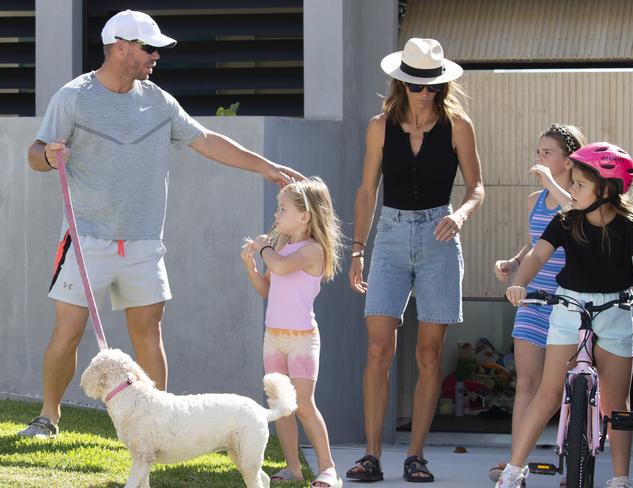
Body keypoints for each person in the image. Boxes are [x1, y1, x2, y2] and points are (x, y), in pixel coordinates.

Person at [20, 9, 303, 439]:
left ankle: (159, 426)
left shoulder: (158, 100)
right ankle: (48, 417)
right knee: (68, 332)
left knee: (149, 336)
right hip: (85, 239)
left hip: (143, 243)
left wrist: (265, 167)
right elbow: (35, 153)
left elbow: (205, 139)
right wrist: (48, 155)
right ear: (120, 47)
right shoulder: (73, 97)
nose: (156, 55)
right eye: (148, 47)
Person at [346, 38, 484, 483]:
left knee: (428, 354)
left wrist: (460, 215)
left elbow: (476, 187)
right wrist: (357, 251)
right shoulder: (378, 125)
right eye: (417, 84)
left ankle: (416, 455)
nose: (425, 92)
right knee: (377, 348)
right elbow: (367, 191)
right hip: (387, 236)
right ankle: (370, 455)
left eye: (433, 85)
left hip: (439, 237)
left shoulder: (459, 125)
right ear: (401, 81)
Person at [497, 142, 633, 488]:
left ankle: (620, 478)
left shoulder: (631, 226)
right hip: (570, 306)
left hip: (615, 308)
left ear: (607, 190)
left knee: (615, 401)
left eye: (580, 184)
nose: (572, 189)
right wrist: (519, 284)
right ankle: (513, 471)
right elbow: (536, 256)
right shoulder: (566, 220)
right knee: (548, 393)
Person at [489, 124, 586, 483]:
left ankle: (574, 462)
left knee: (571, 387)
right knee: (526, 383)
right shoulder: (535, 199)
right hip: (534, 300)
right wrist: (513, 265)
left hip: (571, 302)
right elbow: (535, 246)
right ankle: (517, 464)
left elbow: (576, 215)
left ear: (568, 159)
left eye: (548, 153)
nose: (539, 158)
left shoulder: (578, 196)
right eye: (538, 152)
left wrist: (551, 183)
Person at [240, 177, 343, 488]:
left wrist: (265, 247)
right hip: (274, 338)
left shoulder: (312, 249)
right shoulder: (282, 247)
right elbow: (268, 289)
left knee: (304, 405)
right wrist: (251, 267)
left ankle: (328, 469)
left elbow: (283, 267)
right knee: (282, 406)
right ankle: (294, 468)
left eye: (281, 209)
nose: (275, 215)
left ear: (304, 216)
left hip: (302, 341)